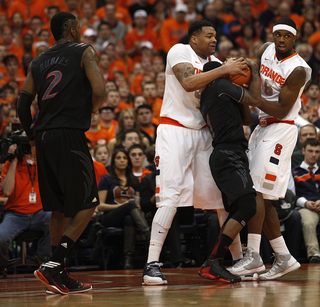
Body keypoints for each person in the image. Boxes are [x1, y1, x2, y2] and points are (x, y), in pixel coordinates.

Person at [142, 19, 248, 285]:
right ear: (194, 39)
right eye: (209, 35)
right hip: (174, 131)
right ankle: (151, 265)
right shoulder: (179, 51)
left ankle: (238, 262)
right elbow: (189, 83)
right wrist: (224, 70)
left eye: (215, 36)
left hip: (204, 135)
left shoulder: (214, 62)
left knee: (222, 201)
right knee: (170, 197)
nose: (214, 40)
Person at [17, 12, 106, 295]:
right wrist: (87, 110)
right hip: (69, 133)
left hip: (43, 137)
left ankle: (59, 275)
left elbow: (22, 103)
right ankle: (55, 263)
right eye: (78, 27)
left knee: (57, 207)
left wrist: (31, 134)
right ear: (71, 29)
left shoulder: (38, 60)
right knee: (88, 203)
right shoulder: (84, 51)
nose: (80, 31)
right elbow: (101, 92)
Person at [228, 17, 312, 280]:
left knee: (255, 192)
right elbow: (253, 71)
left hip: (281, 127)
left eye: (288, 36)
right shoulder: (264, 50)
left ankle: (253, 255)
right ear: (273, 35)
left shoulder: (298, 69)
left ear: (295, 39)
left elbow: (281, 107)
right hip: (261, 126)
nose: (282, 40)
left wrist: (248, 96)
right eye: (279, 35)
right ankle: (283, 257)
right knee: (261, 196)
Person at [197, 58, 261, 283]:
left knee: (238, 210)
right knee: (248, 205)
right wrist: (252, 72)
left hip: (227, 155)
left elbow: (247, 118)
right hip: (229, 154)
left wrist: (240, 88)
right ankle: (213, 261)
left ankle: (216, 261)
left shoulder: (214, 93)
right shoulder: (219, 85)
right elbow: (255, 100)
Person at [0, 143, 51, 272]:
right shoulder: (10, 164)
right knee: (1, 237)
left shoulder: (43, 163)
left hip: (40, 213)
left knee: (58, 220)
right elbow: (7, 191)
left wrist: (39, 154)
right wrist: (14, 161)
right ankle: (2, 265)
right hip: (15, 214)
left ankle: (44, 259)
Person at [97, 148, 150, 269]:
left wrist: (131, 207)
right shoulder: (107, 179)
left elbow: (138, 203)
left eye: (125, 158)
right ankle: (148, 235)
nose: (122, 160)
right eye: (118, 158)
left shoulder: (134, 180)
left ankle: (128, 259)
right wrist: (122, 206)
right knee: (129, 205)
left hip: (129, 217)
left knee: (129, 218)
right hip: (110, 217)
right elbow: (100, 205)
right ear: (113, 161)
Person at [292, 138, 320, 263]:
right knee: (308, 222)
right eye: (310, 151)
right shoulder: (294, 172)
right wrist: (305, 203)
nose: (314, 154)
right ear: (303, 151)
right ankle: (314, 255)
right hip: (305, 206)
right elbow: (292, 195)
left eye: (317, 152)